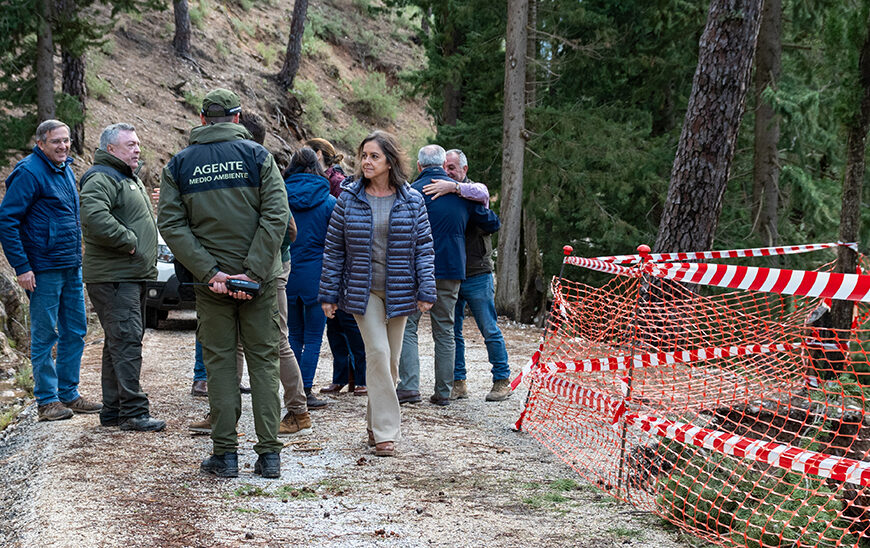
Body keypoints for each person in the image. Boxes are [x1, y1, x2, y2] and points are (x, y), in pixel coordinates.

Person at [158, 88, 289, 478]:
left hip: (210, 287)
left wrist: (210, 272)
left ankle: (225, 455)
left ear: (202, 120)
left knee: (219, 365)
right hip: (258, 283)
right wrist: (253, 272)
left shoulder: (179, 165)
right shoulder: (259, 157)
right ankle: (269, 457)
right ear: (237, 119)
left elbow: (171, 224)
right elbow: (276, 215)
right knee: (264, 362)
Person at [319, 131, 436, 457]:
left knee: (391, 363)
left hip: (401, 291)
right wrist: (328, 294)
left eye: (374, 156)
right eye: (364, 155)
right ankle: (386, 432)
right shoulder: (348, 198)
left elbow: (423, 249)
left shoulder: (413, 201)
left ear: (389, 162)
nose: (366, 162)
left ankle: (373, 423)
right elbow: (334, 250)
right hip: (362, 291)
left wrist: (426, 288)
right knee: (379, 354)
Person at [0, 120, 101, 422]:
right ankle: (46, 401)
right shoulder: (29, 172)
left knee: (76, 330)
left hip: (70, 264)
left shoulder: (65, 169)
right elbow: (7, 221)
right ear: (41, 143)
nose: (63, 146)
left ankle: (68, 393)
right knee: (46, 334)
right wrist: (22, 267)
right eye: (56, 141)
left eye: (67, 140)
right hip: (42, 268)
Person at [396, 145, 500, 406]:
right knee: (445, 329)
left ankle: (409, 387)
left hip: (414, 270)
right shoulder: (462, 196)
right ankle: (444, 391)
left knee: (408, 327)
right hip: (451, 269)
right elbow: (491, 223)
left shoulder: (408, 193)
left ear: (419, 167)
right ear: (443, 166)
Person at [79, 123, 166, 431]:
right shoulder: (101, 176)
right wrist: (128, 240)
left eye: (138, 144)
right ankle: (133, 411)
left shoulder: (127, 177)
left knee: (118, 340)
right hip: (114, 276)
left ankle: (113, 409)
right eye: (130, 144)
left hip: (129, 275)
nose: (137, 149)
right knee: (127, 339)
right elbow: (93, 218)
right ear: (110, 149)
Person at [422, 149, 511, 401]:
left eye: (453, 168)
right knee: (453, 331)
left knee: (488, 327)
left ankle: (502, 380)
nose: (448, 172)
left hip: (476, 272)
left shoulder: (471, 193)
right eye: (445, 167)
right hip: (451, 274)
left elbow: (492, 220)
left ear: (464, 169)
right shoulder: (436, 191)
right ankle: (458, 381)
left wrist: (458, 195)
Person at [306, 138, 367, 397]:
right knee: (334, 325)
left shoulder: (338, 184)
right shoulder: (323, 182)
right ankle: (341, 376)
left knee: (350, 323)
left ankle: (361, 377)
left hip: (345, 263)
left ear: (319, 155)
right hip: (328, 261)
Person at [283, 147, 335, 409]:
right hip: (319, 276)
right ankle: (306, 390)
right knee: (314, 337)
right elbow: (337, 244)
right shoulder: (328, 202)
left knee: (293, 336)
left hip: (288, 273)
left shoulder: (280, 196)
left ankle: (292, 392)